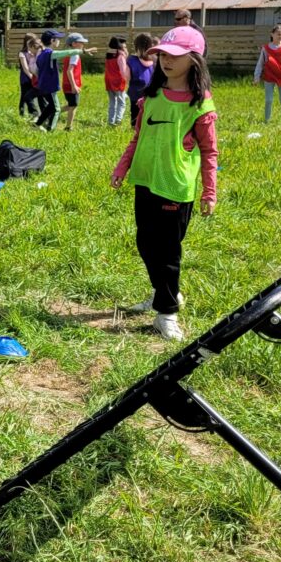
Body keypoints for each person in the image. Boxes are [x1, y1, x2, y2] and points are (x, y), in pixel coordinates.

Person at [111, 26, 218, 341]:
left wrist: (209, 191)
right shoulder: (151, 96)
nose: (165, 62)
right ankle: (164, 294)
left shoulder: (201, 105)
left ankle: (166, 313)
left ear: (194, 59)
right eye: (161, 56)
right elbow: (138, 136)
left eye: (174, 56)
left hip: (175, 187)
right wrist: (122, 166)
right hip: (144, 180)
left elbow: (210, 152)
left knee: (168, 252)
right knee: (145, 243)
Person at [32, 31, 90, 131]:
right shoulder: (50, 53)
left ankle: (37, 124)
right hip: (49, 86)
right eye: (57, 39)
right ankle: (50, 130)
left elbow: (35, 70)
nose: (59, 41)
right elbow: (67, 52)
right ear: (52, 41)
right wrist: (82, 51)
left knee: (51, 106)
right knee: (56, 109)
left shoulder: (41, 54)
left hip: (43, 85)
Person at [254, 24, 281, 123]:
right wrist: (257, 76)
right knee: (268, 100)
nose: (280, 36)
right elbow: (260, 63)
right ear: (272, 34)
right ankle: (267, 121)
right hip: (270, 76)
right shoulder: (265, 48)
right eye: (278, 34)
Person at [58, 32, 91, 130]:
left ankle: (53, 112)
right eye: (81, 42)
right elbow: (69, 71)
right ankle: (68, 127)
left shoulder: (69, 53)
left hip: (67, 83)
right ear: (74, 44)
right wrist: (74, 85)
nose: (83, 44)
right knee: (73, 106)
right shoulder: (74, 55)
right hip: (71, 84)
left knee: (72, 104)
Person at [126, 33, 156, 127]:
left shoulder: (131, 60)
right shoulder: (156, 60)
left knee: (135, 114)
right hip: (150, 93)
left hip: (137, 92)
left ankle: (135, 128)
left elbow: (127, 77)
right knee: (147, 114)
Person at [104, 35, 129, 127]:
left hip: (109, 81)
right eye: (124, 46)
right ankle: (118, 121)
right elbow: (123, 70)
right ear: (120, 46)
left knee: (112, 102)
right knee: (121, 102)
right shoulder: (120, 56)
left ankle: (110, 121)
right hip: (118, 81)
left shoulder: (108, 55)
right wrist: (128, 78)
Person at [17, 33, 41, 118]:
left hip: (34, 77)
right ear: (28, 42)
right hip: (26, 78)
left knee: (31, 96)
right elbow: (25, 68)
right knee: (24, 96)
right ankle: (23, 113)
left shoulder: (34, 52)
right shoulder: (22, 53)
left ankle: (33, 113)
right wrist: (31, 77)